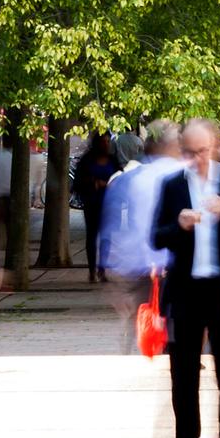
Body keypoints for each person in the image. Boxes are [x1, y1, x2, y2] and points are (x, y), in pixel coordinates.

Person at [152, 120, 220, 438]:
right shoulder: (173, 185)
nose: (197, 159)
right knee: (183, 377)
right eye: (190, 153)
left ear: (216, 147)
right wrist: (178, 226)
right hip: (185, 292)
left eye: (203, 151)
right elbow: (156, 237)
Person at [106, 120, 184, 341]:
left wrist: (116, 268)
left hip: (144, 265)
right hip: (171, 265)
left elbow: (117, 226)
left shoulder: (130, 178)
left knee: (147, 321)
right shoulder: (185, 174)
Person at [74, 135, 122, 284]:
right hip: (92, 203)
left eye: (107, 141)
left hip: (109, 204)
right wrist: (94, 183)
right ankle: (91, 271)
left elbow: (120, 176)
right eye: (103, 142)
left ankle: (102, 270)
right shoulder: (87, 160)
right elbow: (78, 182)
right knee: (92, 236)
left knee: (106, 237)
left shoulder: (112, 160)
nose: (106, 144)